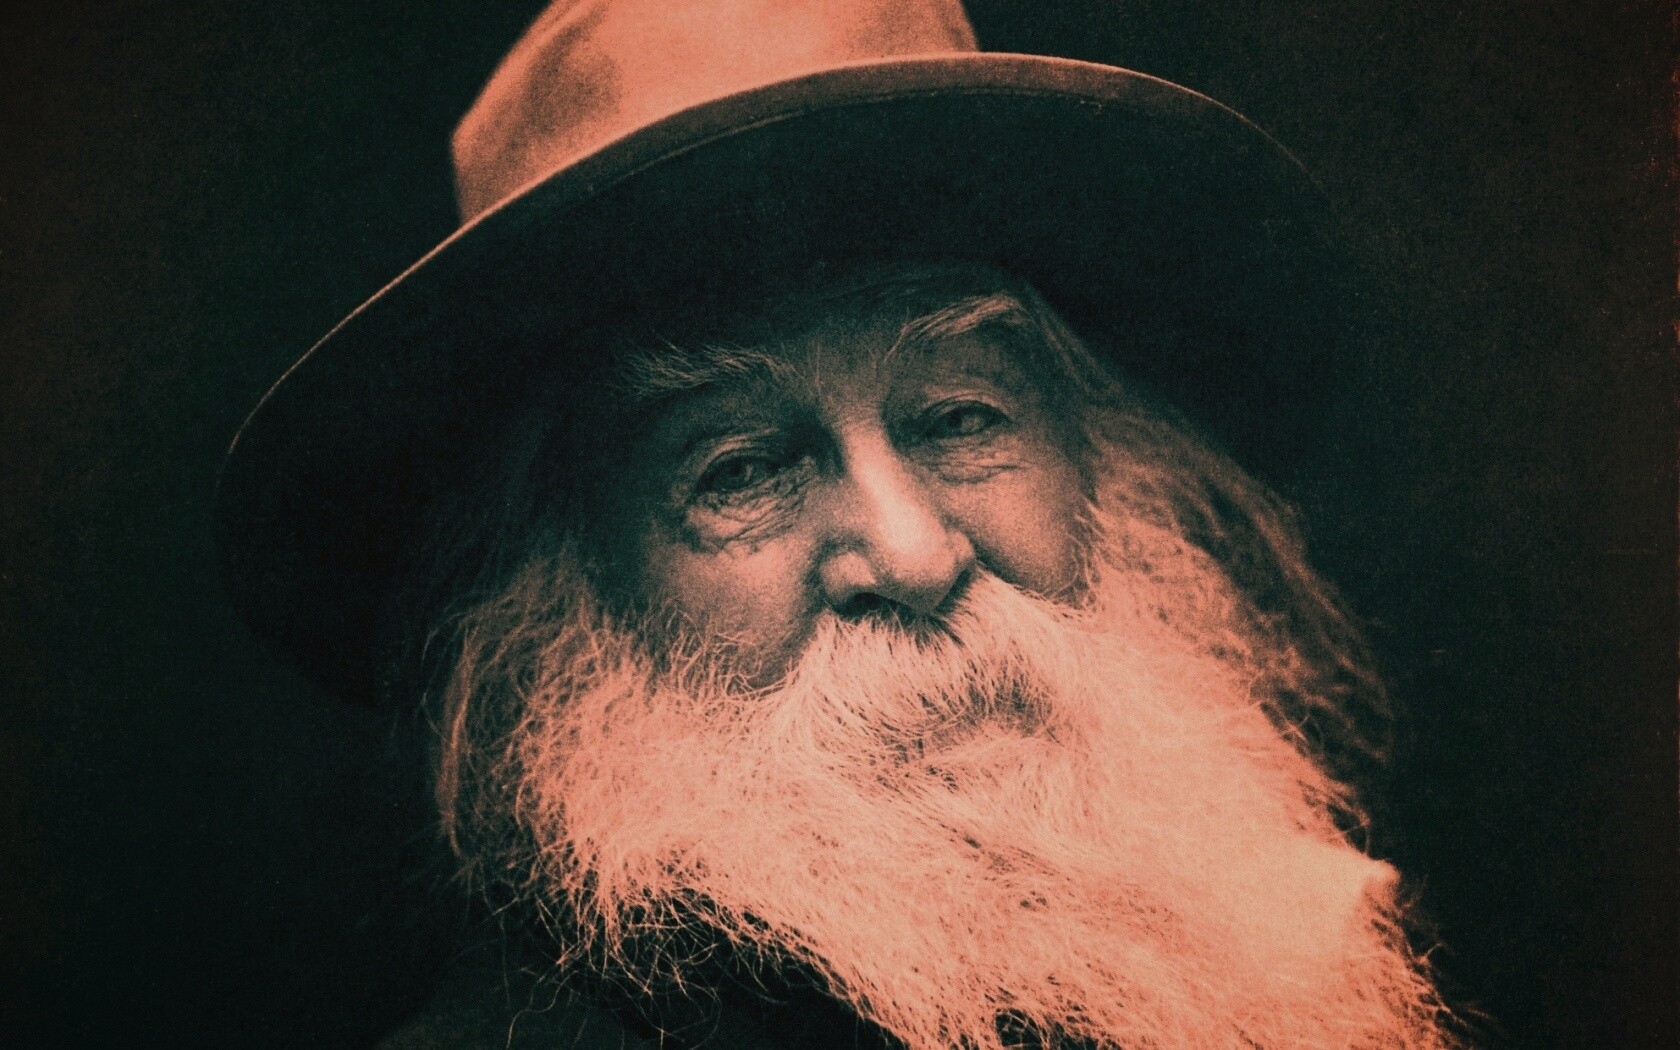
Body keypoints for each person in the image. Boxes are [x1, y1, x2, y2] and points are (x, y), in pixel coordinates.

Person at [215, 1, 1461, 1046]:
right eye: (743, 472)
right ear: (566, 608)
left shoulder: (1278, 952)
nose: (913, 556)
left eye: (961, 419)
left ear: (1104, 464)